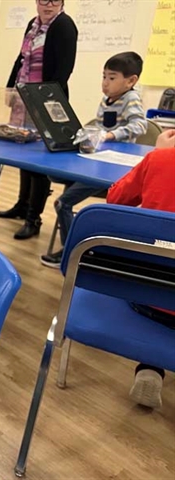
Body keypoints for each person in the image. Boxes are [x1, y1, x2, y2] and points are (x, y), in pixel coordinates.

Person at [41, 52, 148, 268]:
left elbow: (140, 126)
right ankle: (76, 247)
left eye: (111, 78)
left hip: (115, 170)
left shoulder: (131, 99)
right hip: (98, 163)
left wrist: (109, 135)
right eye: (104, 77)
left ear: (131, 81)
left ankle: (72, 255)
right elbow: (99, 127)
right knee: (56, 174)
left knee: (63, 203)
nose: (105, 83)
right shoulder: (106, 100)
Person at [106, 129, 175, 408]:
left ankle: (150, 367)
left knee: (159, 276)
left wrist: (158, 154)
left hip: (146, 296)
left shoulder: (160, 159)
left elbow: (115, 199)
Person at [0, 0, 78, 240]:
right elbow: (20, 60)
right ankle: (22, 204)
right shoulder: (33, 25)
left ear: (62, 3)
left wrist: (45, 101)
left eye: (55, 0)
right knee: (25, 155)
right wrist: (10, 89)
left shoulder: (64, 25)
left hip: (45, 100)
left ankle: (34, 218)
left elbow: (64, 69)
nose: (49, 4)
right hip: (24, 97)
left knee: (39, 162)